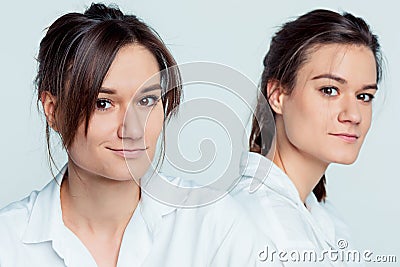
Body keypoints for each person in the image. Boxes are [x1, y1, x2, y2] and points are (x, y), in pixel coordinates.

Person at [0, 3, 270, 266]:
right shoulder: (8, 242)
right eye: (103, 103)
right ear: (53, 110)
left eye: (146, 101)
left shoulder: (214, 226)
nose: (131, 129)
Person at [232, 9, 382, 266]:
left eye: (363, 96)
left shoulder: (322, 217)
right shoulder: (256, 222)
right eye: (330, 90)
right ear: (278, 96)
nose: (353, 115)